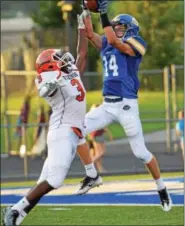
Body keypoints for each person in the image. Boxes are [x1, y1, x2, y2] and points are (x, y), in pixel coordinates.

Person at [2, 13, 102, 226]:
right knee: (55, 181)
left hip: (72, 131)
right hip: (61, 132)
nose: (62, 59)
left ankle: (18, 214)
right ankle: (14, 210)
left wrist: (81, 28)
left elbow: (82, 53)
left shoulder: (70, 71)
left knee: (43, 181)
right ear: (49, 66)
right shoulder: (46, 78)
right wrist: (50, 85)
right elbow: (43, 90)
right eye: (57, 59)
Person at [76, 0, 172, 212]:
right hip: (107, 105)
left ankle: (162, 188)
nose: (117, 29)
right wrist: (85, 10)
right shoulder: (108, 42)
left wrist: (103, 14)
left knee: (141, 153)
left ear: (131, 29)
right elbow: (91, 35)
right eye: (115, 26)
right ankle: (92, 174)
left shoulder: (137, 43)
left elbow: (115, 41)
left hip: (127, 106)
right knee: (75, 130)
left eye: (121, 26)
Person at [89, 104, 113, 172]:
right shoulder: (96, 116)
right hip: (97, 136)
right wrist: (109, 134)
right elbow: (103, 126)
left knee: (98, 153)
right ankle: (89, 165)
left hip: (97, 135)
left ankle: (100, 169)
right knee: (101, 153)